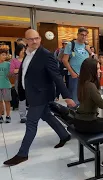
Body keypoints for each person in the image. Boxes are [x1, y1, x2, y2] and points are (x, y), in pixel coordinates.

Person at [3, 29, 76, 166]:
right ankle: (64, 135)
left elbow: (56, 76)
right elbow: (25, 73)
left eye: (36, 38)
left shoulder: (45, 55)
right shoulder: (28, 53)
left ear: (40, 39)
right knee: (47, 115)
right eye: (31, 39)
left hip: (40, 95)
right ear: (26, 41)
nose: (34, 41)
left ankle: (22, 154)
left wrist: (66, 96)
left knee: (31, 123)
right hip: (32, 93)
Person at [62, 27, 90, 105]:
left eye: (85, 35)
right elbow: (64, 60)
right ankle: (71, 115)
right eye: (82, 35)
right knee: (74, 99)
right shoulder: (71, 44)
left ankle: (81, 115)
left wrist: (90, 51)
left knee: (84, 97)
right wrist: (72, 73)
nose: (83, 37)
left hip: (85, 76)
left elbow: (91, 60)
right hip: (75, 75)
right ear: (78, 35)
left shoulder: (86, 46)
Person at [10, 44, 27, 123]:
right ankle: (23, 116)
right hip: (19, 81)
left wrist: (18, 70)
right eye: (21, 50)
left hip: (29, 81)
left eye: (24, 49)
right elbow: (12, 71)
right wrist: (22, 69)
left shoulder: (28, 59)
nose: (23, 51)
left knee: (32, 98)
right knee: (22, 99)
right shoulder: (14, 60)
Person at [0, 45, 12, 123]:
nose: (5, 56)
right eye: (3, 55)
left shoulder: (8, 64)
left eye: (5, 55)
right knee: (0, 102)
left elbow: (11, 74)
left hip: (6, 86)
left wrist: (11, 74)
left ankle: (8, 116)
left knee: (7, 101)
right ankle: (0, 116)